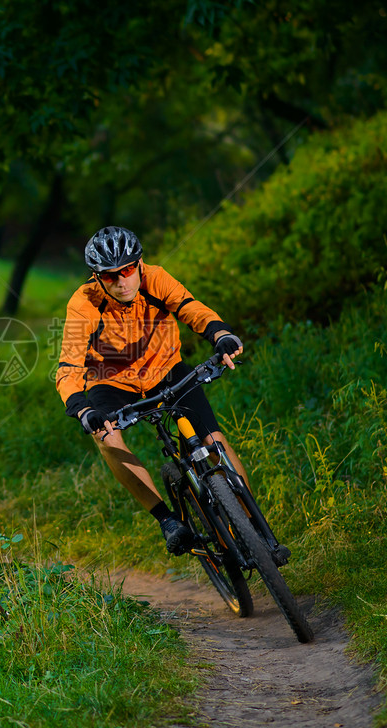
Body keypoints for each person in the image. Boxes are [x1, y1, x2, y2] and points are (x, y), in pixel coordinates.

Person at [56, 226, 288, 562]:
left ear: (139, 264)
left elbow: (191, 308)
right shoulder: (84, 303)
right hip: (112, 381)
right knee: (107, 438)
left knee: (214, 442)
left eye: (128, 270)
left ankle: (255, 530)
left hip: (166, 369)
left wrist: (220, 333)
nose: (122, 281)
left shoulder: (156, 279)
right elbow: (69, 364)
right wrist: (81, 408)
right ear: (97, 278)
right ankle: (167, 519)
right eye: (110, 277)